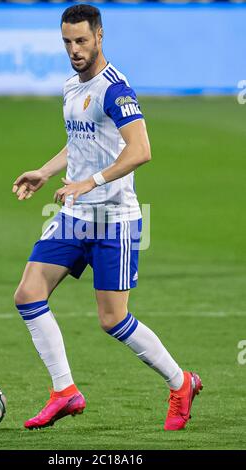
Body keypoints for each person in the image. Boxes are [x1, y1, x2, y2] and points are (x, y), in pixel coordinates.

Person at [12, 4, 202, 431]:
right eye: (67, 42)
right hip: (76, 215)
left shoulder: (116, 89)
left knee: (112, 319)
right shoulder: (70, 86)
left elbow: (141, 151)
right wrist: (46, 172)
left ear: (99, 36)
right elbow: (79, 145)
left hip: (114, 219)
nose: (74, 49)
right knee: (28, 294)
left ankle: (181, 381)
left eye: (81, 40)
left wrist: (89, 182)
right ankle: (65, 391)